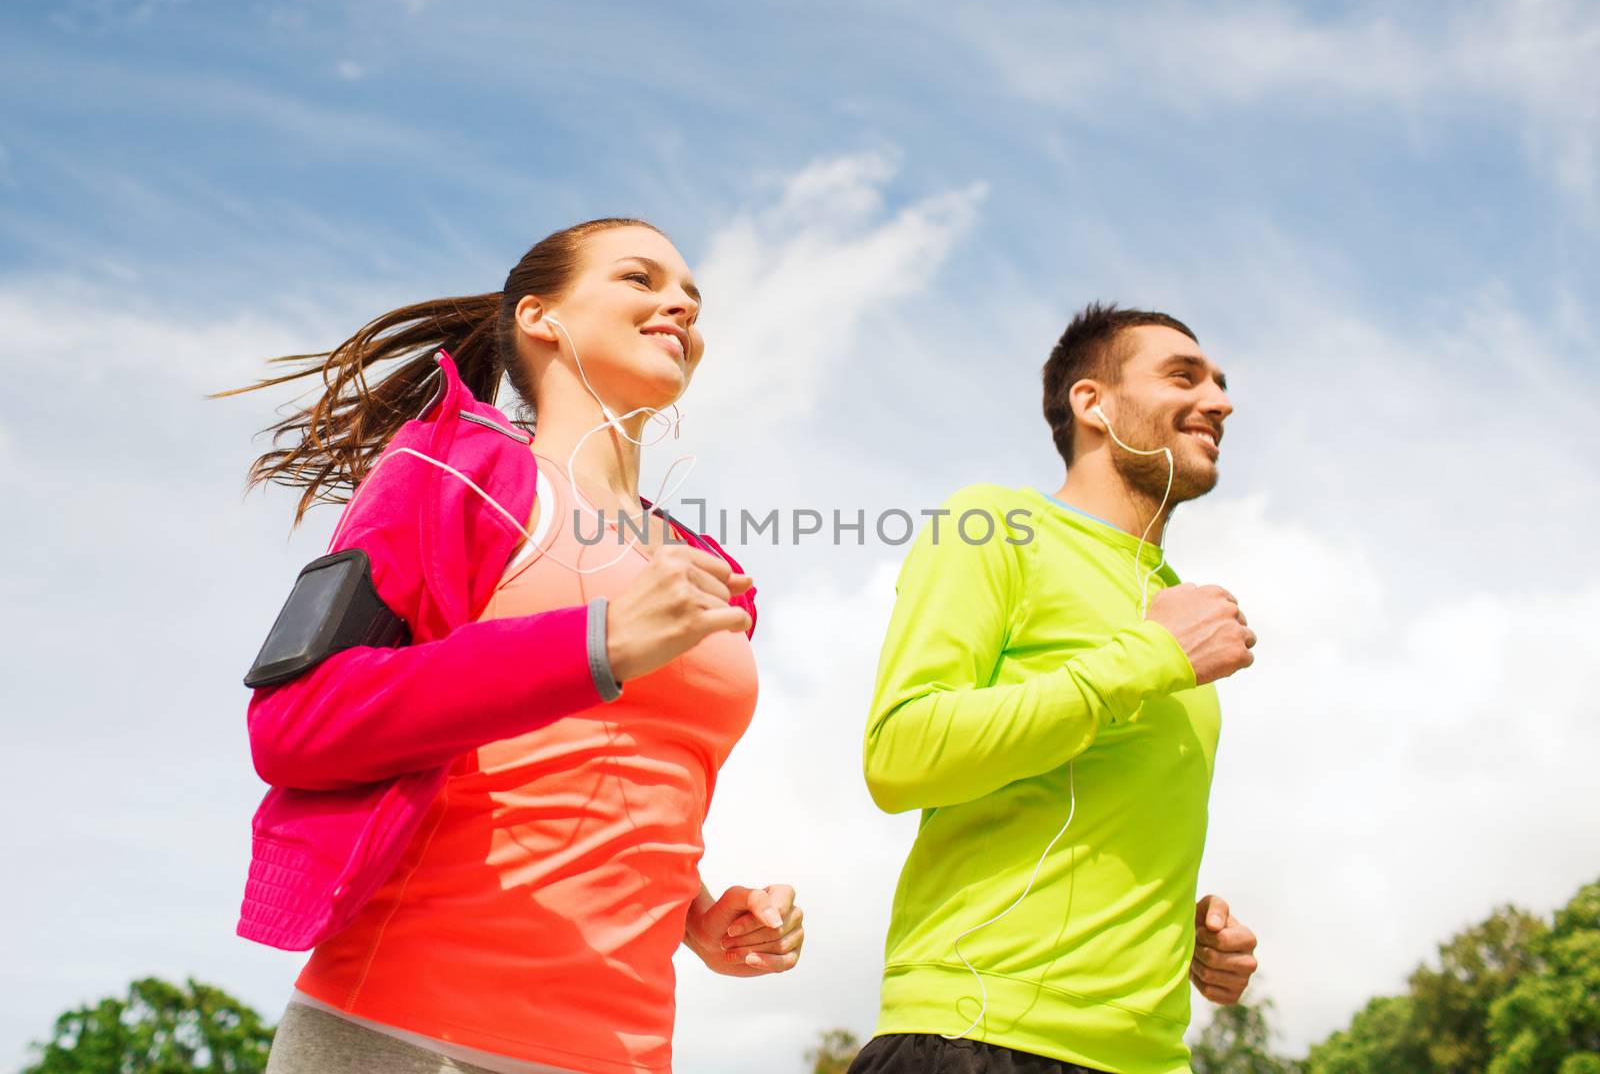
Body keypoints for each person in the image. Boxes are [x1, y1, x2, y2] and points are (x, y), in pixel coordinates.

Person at [226, 218, 804, 1074]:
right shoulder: (451, 475)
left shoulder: (710, 567)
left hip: (623, 1051)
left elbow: (601, 772)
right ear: (542, 316)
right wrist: (593, 643)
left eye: (692, 295)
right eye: (641, 280)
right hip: (404, 1033)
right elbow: (294, 723)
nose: (680, 302)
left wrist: (700, 916)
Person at [849, 304, 1260, 1074]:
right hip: (978, 1035)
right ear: (1092, 403)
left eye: (1222, 384)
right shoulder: (995, 523)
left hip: (1152, 1057)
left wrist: (1182, 930)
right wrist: (1148, 656)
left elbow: (1088, 808)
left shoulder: (1177, 609)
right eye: (1184, 376)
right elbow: (899, 754)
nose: (1221, 401)